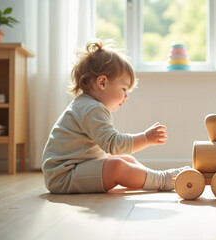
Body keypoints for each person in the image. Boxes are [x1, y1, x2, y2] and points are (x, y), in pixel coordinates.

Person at [42, 39, 189, 194]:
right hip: (64, 176)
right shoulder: (92, 109)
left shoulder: (85, 105)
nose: (126, 96)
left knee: (126, 159)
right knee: (117, 166)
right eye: (124, 89)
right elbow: (113, 144)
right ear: (102, 82)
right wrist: (145, 138)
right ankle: (161, 180)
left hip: (70, 170)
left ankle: (158, 178)